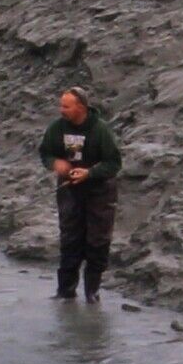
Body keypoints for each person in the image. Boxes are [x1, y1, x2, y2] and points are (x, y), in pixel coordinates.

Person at [42, 87, 121, 302]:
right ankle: (65, 291)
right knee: (70, 239)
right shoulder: (57, 128)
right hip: (69, 189)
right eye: (61, 105)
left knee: (98, 241)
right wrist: (55, 163)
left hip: (100, 192)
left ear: (81, 107)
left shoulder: (100, 130)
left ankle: (92, 292)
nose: (62, 110)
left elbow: (114, 163)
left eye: (66, 106)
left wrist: (90, 173)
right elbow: (45, 152)